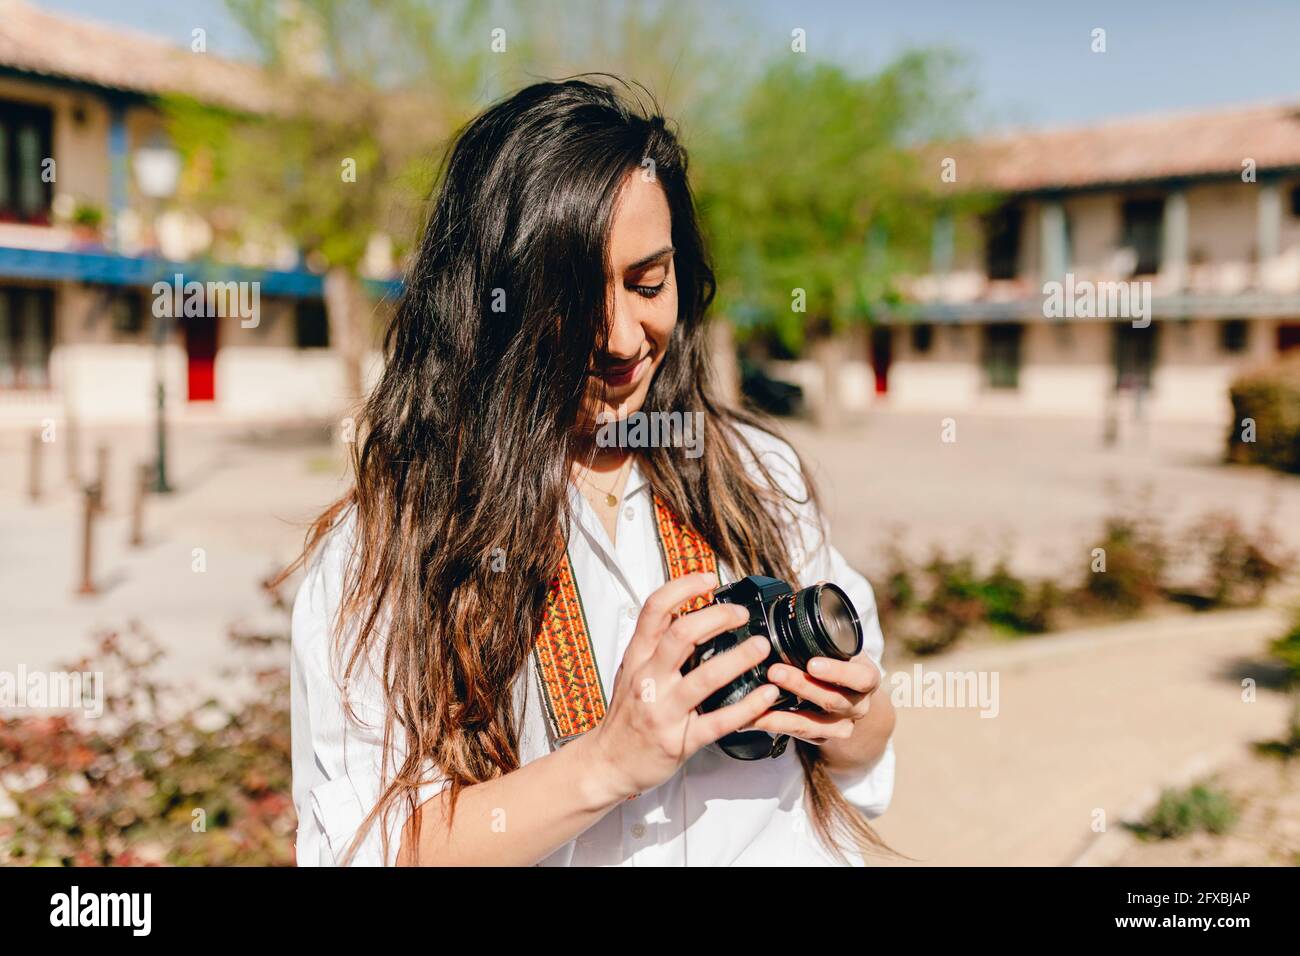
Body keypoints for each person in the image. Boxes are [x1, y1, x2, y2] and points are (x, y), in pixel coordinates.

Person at [286, 77, 896, 866]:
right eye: (570, 300)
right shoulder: (392, 542)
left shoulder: (755, 474)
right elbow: (370, 849)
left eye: (650, 283)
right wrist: (610, 760)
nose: (621, 336)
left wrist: (851, 717)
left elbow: (867, 751)